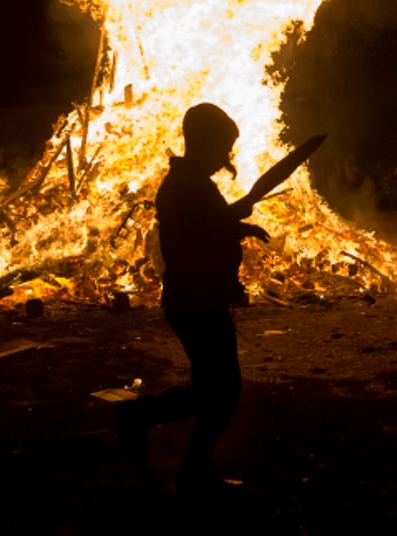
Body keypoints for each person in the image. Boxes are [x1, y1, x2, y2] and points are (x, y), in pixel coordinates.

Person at [115, 102, 269, 499]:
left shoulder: (192, 184)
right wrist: (236, 214)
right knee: (222, 391)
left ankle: (158, 434)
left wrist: (239, 223)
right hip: (195, 300)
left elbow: (206, 226)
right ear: (205, 142)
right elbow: (197, 235)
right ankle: (171, 448)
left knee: (213, 389)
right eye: (223, 147)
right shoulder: (188, 185)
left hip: (199, 297)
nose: (226, 158)